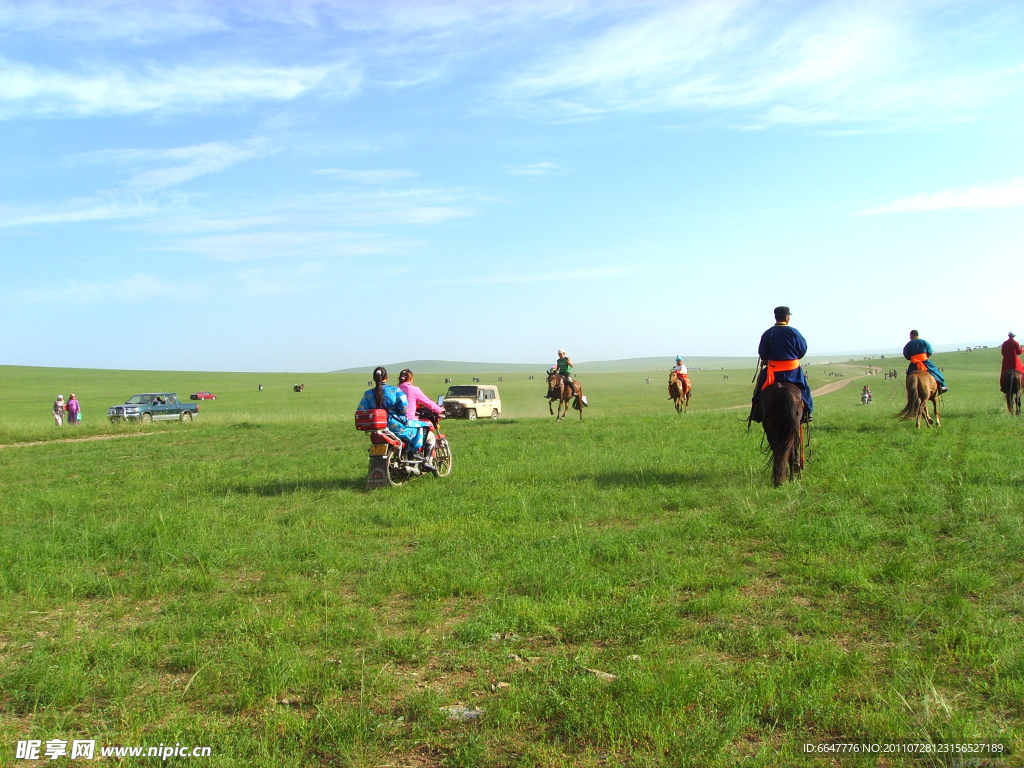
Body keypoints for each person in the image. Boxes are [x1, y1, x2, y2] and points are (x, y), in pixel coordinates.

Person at [357, 367, 434, 472]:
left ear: (374, 378)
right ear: (387, 377)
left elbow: (361, 410)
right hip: (395, 424)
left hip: (378, 427)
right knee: (422, 427)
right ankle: (414, 452)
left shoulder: (368, 394)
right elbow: (404, 408)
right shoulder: (395, 390)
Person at [749, 306, 813, 423]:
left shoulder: (768, 333)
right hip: (793, 371)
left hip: (773, 372)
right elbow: (802, 350)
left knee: (759, 387)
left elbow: (762, 353)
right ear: (787, 317)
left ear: (776, 317)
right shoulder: (794, 332)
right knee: (805, 389)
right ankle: (809, 411)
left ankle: (755, 411)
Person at [398, 369, 443, 468]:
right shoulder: (413, 390)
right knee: (430, 437)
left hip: (396, 423)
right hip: (409, 422)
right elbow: (428, 402)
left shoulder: (395, 390)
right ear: (411, 379)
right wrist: (440, 410)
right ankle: (426, 461)